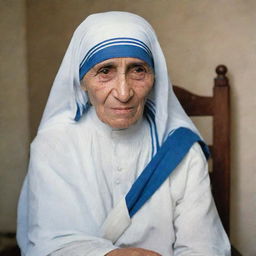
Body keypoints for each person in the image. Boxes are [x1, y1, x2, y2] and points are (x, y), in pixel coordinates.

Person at [17, 11, 231, 256]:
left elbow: (203, 246)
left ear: (154, 77)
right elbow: (46, 242)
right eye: (105, 71)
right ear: (82, 80)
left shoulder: (181, 148)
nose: (123, 92)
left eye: (137, 70)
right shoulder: (54, 144)